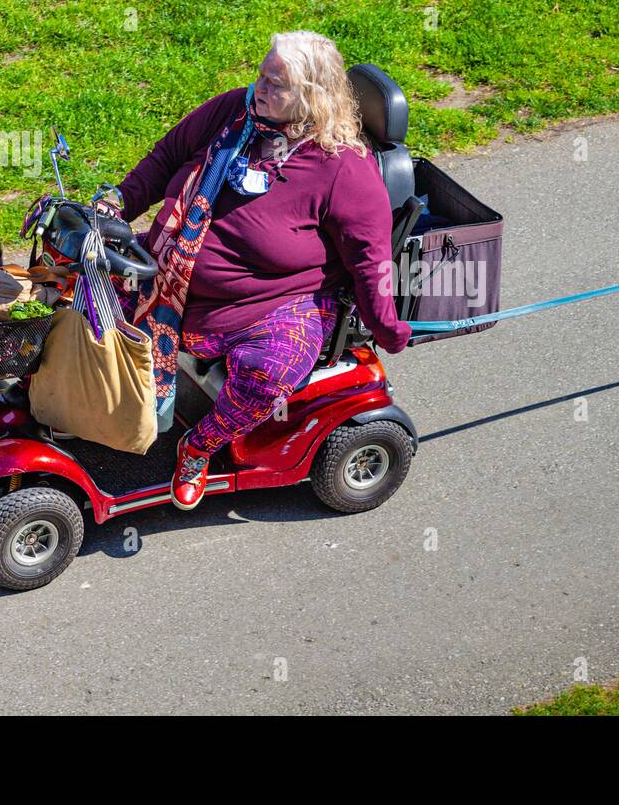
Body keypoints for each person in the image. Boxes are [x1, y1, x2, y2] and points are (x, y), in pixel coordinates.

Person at [96, 31, 411, 510]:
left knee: (269, 371)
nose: (259, 87)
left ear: (311, 97)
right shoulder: (232, 113)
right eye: (262, 74)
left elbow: (370, 260)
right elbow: (165, 159)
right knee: (80, 281)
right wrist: (118, 202)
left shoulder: (344, 169)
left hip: (268, 306)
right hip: (168, 269)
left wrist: (388, 328)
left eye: (275, 83)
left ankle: (198, 448)